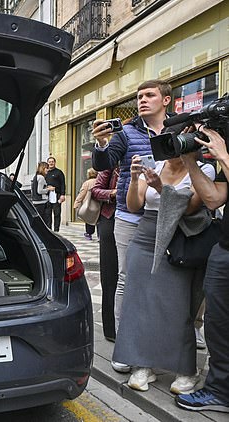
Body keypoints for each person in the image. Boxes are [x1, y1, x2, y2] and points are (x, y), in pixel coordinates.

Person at [113, 153, 214, 393]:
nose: (169, 146)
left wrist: (160, 186)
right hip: (145, 235)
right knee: (139, 303)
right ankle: (143, 364)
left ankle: (186, 369)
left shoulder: (203, 169)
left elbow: (190, 208)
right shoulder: (156, 164)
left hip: (179, 238)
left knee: (177, 306)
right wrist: (135, 178)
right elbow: (134, 205)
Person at [92, 79, 172, 373]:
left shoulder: (178, 128)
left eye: (149, 95)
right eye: (139, 96)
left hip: (168, 213)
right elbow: (104, 164)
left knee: (165, 278)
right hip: (129, 215)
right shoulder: (125, 132)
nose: (142, 100)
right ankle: (125, 346)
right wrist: (101, 144)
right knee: (127, 278)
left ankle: (161, 340)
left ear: (165, 100)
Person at [176, 127, 229, 413]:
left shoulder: (225, 154)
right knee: (218, 326)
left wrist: (223, 155)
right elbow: (213, 199)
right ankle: (220, 391)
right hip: (224, 249)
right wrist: (190, 162)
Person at [91, 167, 119, 341]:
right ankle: (111, 329)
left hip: (137, 220)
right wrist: (113, 193)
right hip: (111, 219)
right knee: (110, 276)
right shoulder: (113, 161)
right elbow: (96, 190)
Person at [73, 167, 98, 240]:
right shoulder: (99, 181)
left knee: (89, 218)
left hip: (89, 204)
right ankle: (100, 236)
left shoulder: (87, 183)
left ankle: (89, 233)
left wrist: (76, 203)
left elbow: (82, 194)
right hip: (99, 204)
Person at [44, 156, 65, 232]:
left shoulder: (59, 172)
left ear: (55, 162)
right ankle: (49, 230)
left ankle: (56, 230)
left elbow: (63, 184)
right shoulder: (46, 173)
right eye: (49, 162)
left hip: (57, 195)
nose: (51, 163)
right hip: (47, 195)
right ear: (48, 163)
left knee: (57, 214)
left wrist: (63, 195)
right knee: (47, 213)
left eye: (52, 161)